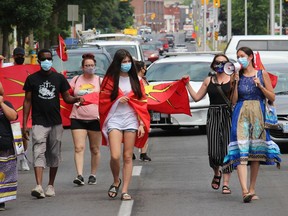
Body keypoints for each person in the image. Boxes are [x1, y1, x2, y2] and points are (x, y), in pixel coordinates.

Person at [22, 49, 83, 199]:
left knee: (54, 154)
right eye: (43, 59)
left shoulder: (59, 78)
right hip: (38, 122)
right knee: (38, 151)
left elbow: (67, 97)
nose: (46, 61)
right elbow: (27, 101)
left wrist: (77, 99)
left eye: (49, 59)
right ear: (39, 61)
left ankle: (50, 185)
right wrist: (24, 124)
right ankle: (38, 186)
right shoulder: (32, 79)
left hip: (56, 122)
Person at [223, 47, 281, 203]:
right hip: (241, 113)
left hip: (258, 114)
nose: (239, 58)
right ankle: (244, 191)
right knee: (241, 150)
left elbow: (272, 97)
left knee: (255, 152)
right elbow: (234, 101)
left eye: (242, 56)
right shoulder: (237, 76)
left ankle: (252, 188)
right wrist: (234, 83)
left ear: (250, 57)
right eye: (237, 56)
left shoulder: (262, 74)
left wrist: (260, 86)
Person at [99, 49, 150, 201]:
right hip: (114, 119)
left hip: (131, 120)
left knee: (128, 156)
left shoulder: (137, 81)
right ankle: (116, 181)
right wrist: (116, 101)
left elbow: (142, 103)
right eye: (124, 62)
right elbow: (102, 101)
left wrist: (141, 123)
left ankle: (125, 190)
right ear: (117, 63)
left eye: (129, 62)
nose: (126, 64)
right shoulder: (109, 80)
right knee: (115, 155)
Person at [184, 54, 233, 194]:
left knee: (227, 149)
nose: (220, 65)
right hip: (213, 115)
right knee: (213, 150)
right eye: (217, 62)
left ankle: (226, 183)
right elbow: (196, 97)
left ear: (228, 65)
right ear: (213, 65)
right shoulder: (208, 80)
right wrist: (187, 84)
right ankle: (217, 172)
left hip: (228, 114)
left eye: (223, 62)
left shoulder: (233, 79)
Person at [69, 53, 102, 186]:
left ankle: (93, 175)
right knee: (78, 147)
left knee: (94, 149)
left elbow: (107, 98)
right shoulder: (76, 80)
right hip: (77, 117)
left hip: (95, 119)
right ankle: (80, 175)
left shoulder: (100, 81)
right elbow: (67, 95)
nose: (90, 67)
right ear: (82, 67)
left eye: (92, 65)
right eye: (87, 65)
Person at [9, 47, 30, 171]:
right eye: (18, 55)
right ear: (14, 56)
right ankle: (15, 158)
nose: (20, 57)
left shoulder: (27, 70)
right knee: (12, 135)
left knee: (23, 134)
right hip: (10, 107)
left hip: (24, 107)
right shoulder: (7, 68)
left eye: (22, 55)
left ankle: (23, 158)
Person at [0, 84, 18, 211]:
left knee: (4, 174)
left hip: (4, 144)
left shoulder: (6, 103)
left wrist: (2, 104)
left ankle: (1, 200)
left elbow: (13, 116)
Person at [134, 60, 151, 162]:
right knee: (133, 129)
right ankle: (131, 151)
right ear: (141, 69)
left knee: (145, 128)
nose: (146, 69)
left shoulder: (144, 80)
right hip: (137, 108)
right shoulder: (135, 81)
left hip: (144, 108)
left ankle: (143, 152)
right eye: (145, 67)